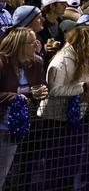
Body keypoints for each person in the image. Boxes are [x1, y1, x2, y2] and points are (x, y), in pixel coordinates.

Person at [38, 24, 89, 191]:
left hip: (77, 117)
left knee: (73, 164)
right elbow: (54, 89)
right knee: (56, 166)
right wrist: (83, 87)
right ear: (82, 43)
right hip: (55, 119)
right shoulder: (61, 61)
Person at [0, 21, 48, 185]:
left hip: (22, 125)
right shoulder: (2, 62)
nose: (36, 45)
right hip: (2, 124)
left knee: (7, 171)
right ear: (20, 46)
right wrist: (20, 95)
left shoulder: (36, 62)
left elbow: (42, 86)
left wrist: (41, 92)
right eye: (31, 43)